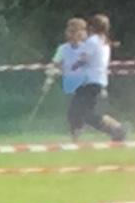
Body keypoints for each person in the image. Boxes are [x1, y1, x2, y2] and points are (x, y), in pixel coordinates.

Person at [50, 13, 129, 141]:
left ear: (92, 27)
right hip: (95, 80)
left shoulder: (93, 41)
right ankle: (114, 129)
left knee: (86, 114)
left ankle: (117, 129)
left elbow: (84, 59)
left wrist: (71, 67)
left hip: (90, 81)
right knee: (79, 111)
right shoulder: (104, 41)